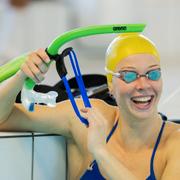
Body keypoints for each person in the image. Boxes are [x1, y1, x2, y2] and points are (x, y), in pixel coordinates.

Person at [0, 32, 180, 180]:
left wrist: (101, 152)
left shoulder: (175, 143)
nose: (143, 85)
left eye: (153, 74)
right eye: (129, 76)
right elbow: (3, 118)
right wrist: (21, 77)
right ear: (110, 84)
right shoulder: (86, 117)